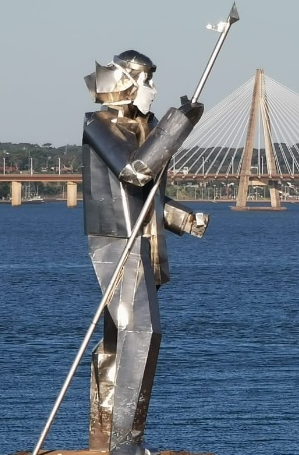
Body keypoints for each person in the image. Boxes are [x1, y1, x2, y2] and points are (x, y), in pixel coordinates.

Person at [82, 49, 207, 455]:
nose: (153, 91)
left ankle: (103, 438)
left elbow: (146, 196)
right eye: (147, 81)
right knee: (142, 332)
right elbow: (136, 172)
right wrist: (179, 124)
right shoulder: (99, 125)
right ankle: (124, 443)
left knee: (118, 341)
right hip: (115, 241)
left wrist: (184, 219)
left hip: (141, 242)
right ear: (126, 84)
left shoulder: (142, 127)